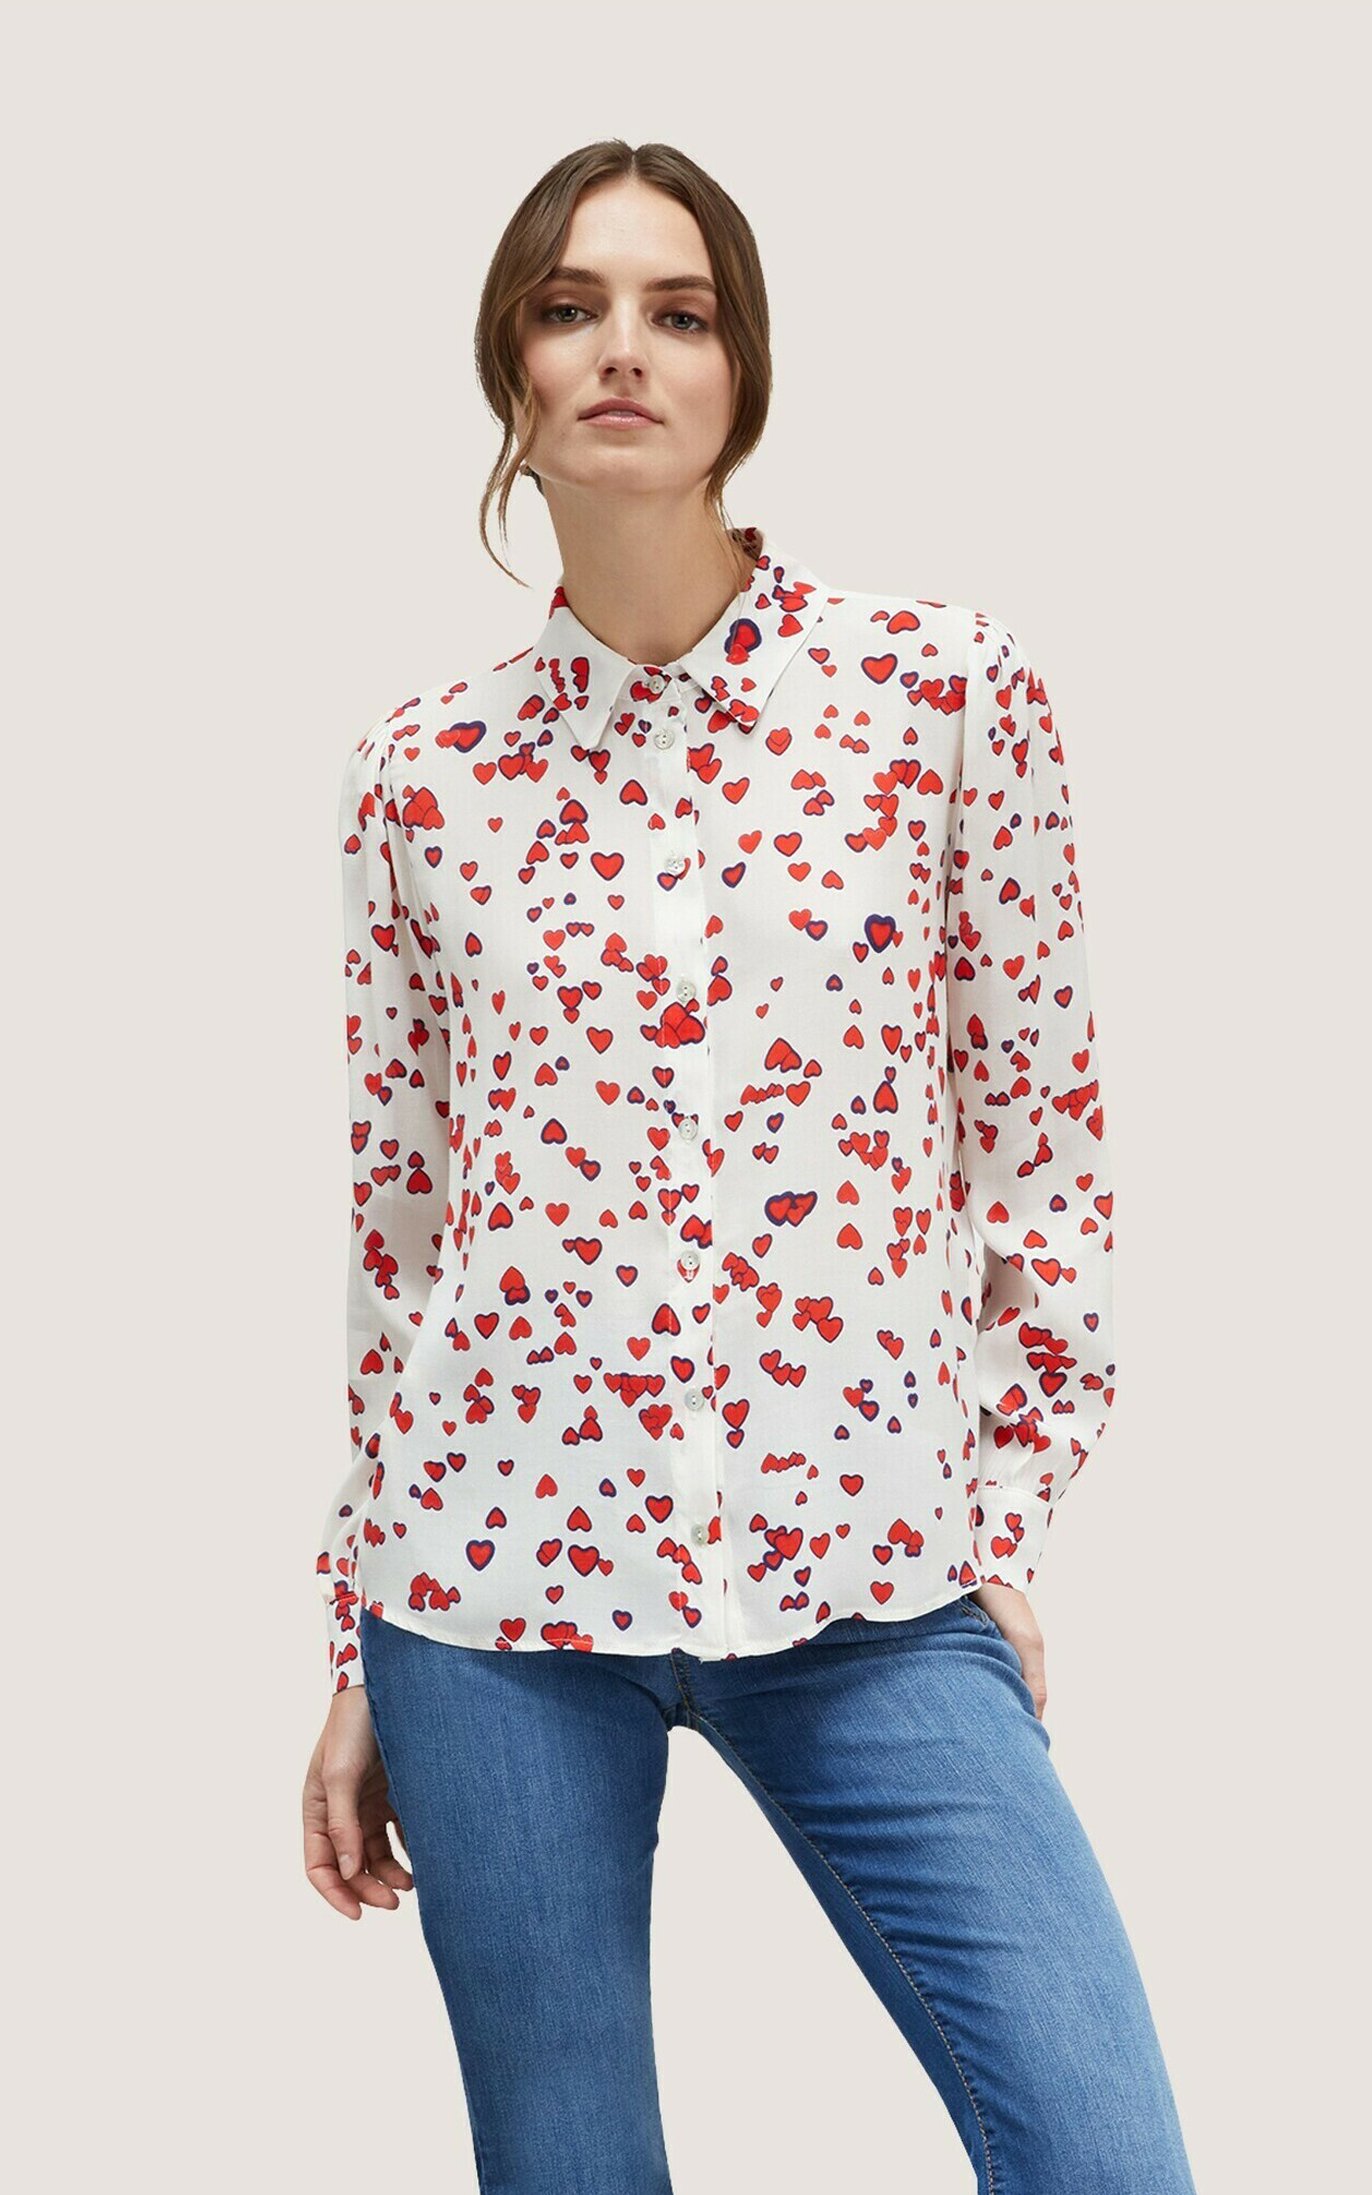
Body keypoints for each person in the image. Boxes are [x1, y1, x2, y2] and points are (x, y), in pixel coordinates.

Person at [300, 140, 1198, 2195]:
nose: (625, 348)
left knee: (1104, 2157)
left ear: (744, 373)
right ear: (513, 372)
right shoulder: (419, 773)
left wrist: (996, 1509)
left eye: (679, 311)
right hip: (490, 1603)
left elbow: (1047, 1159)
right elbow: (402, 1240)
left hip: (867, 1585)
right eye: (572, 307)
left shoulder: (939, 696)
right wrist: (355, 1645)